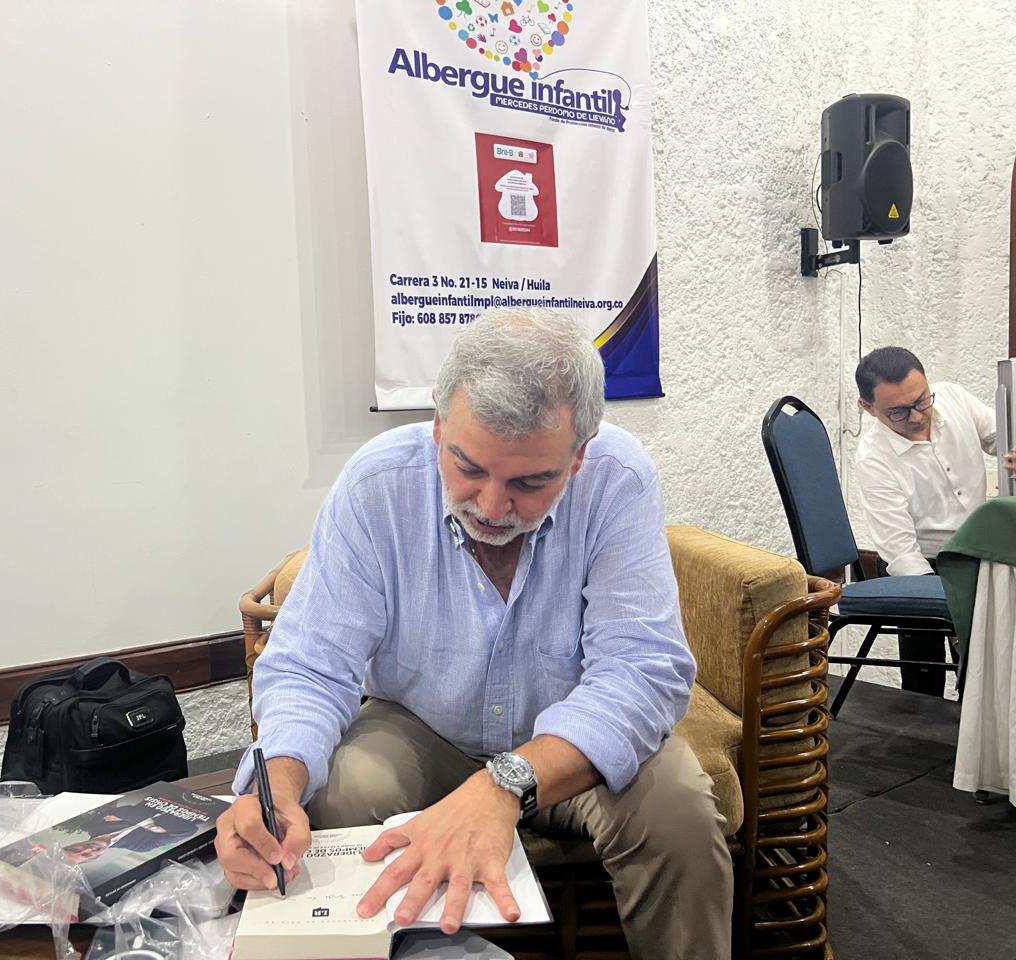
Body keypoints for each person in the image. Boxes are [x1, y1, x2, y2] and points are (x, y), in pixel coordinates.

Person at [215, 308, 732, 959]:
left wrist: (505, 784)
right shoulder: (377, 486)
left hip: (573, 733)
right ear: (438, 426)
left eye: (530, 482)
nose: (490, 506)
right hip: (423, 728)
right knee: (342, 793)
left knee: (679, 813)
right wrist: (277, 785)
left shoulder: (618, 480)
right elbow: (312, 666)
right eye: (467, 466)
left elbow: (640, 670)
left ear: (579, 455)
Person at [853, 346, 1016, 696]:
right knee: (923, 681)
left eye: (921, 401)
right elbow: (901, 554)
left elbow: (1002, 437)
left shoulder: (954, 398)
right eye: (898, 412)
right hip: (925, 563)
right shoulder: (873, 459)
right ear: (867, 407)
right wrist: (947, 605)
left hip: (979, 552)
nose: (916, 417)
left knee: (993, 673)